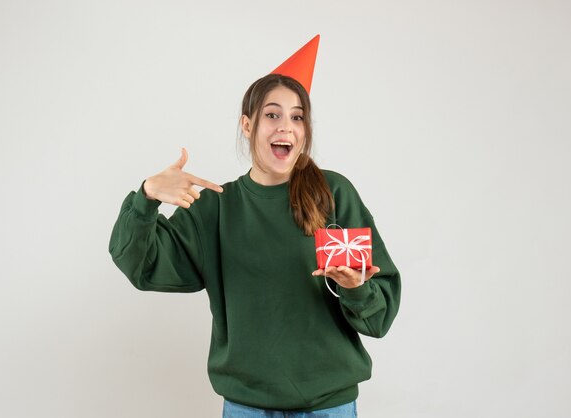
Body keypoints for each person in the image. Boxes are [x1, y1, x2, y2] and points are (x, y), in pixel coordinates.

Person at [109, 35, 401, 418]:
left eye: (297, 117)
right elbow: (141, 266)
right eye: (272, 115)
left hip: (327, 406)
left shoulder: (332, 194)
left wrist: (355, 289)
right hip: (246, 406)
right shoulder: (215, 207)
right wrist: (146, 198)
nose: (287, 127)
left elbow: (379, 318)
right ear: (247, 125)